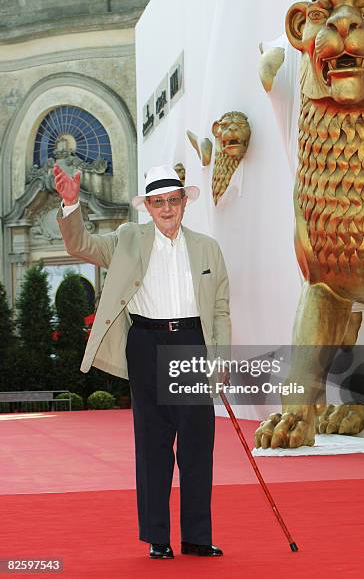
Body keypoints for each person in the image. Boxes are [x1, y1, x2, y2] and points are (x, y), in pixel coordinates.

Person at [54, 163, 231, 559]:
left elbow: (220, 310)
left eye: (173, 200)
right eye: (158, 202)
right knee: (153, 445)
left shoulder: (207, 247)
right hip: (146, 344)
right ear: (147, 207)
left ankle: (197, 537)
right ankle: (157, 538)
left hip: (191, 346)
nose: (167, 208)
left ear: (184, 202)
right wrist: (70, 204)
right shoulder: (127, 239)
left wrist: (219, 359)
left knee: (197, 445)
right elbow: (80, 244)